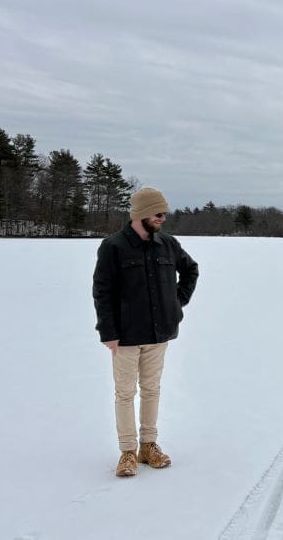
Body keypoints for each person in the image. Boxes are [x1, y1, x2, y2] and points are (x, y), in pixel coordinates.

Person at [93, 186, 199, 477]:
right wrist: (108, 331)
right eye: (158, 213)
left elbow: (191, 270)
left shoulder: (168, 244)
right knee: (125, 393)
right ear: (141, 214)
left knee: (152, 390)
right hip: (125, 335)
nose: (163, 218)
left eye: (164, 213)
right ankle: (127, 451)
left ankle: (148, 445)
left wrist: (176, 304)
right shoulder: (114, 246)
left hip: (159, 333)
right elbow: (102, 291)